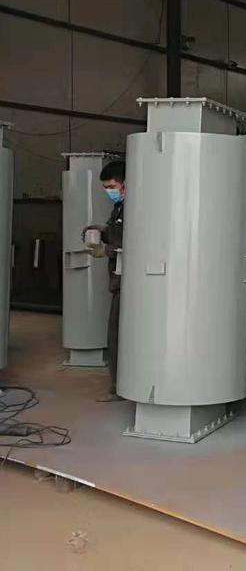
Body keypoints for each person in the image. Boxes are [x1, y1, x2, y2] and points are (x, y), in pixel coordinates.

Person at [83, 160, 126, 402]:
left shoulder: (135, 208)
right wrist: (100, 231)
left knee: (118, 336)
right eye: (105, 188)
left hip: (130, 283)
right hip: (120, 281)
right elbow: (118, 235)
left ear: (125, 185)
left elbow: (136, 243)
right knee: (117, 335)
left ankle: (121, 387)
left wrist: (105, 251)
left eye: (111, 187)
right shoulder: (119, 208)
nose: (109, 191)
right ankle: (120, 384)